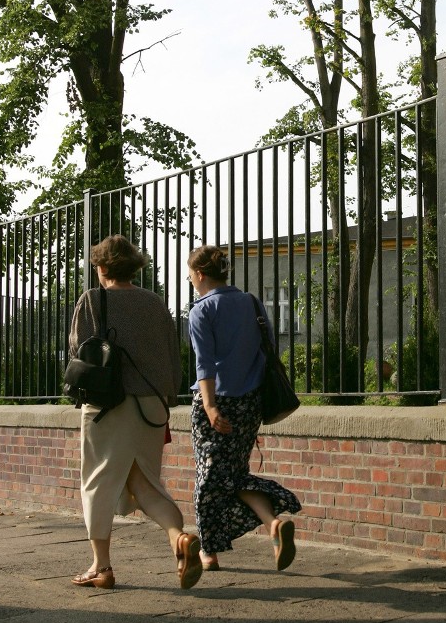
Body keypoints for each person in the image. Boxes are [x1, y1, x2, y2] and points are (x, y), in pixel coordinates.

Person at [69, 234, 202, 591]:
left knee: (98, 480)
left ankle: (101, 566)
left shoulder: (93, 300)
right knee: (143, 481)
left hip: (108, 405)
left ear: (101, 267)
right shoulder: (155, 303)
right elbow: (173, 354)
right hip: (152, 403)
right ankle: (180, 538)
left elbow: (78, 351)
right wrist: (167, 397)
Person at [186, 244, 301, 572]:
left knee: (207, 478)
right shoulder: (251, 302)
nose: (191, 280)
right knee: (232, 475)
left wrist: (209, 406)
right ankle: (272, 524)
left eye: (191, 275)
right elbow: (268, 348)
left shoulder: (201, 310)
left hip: (215, 403)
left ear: (201, 274)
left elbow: (203, 364)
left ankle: (208, 552)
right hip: (251, 402)